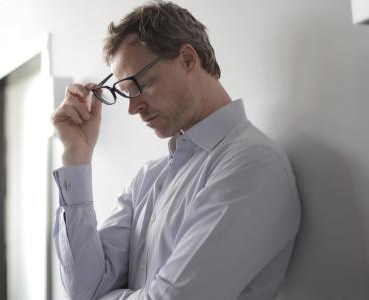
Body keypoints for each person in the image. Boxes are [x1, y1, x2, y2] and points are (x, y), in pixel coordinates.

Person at [50, 1, 301, 299]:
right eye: (125, 94)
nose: (133, 108)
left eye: (140, 85)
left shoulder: (253, 165)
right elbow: (83, 289)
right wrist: (76, 154)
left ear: (186, 59)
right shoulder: (146, 179)